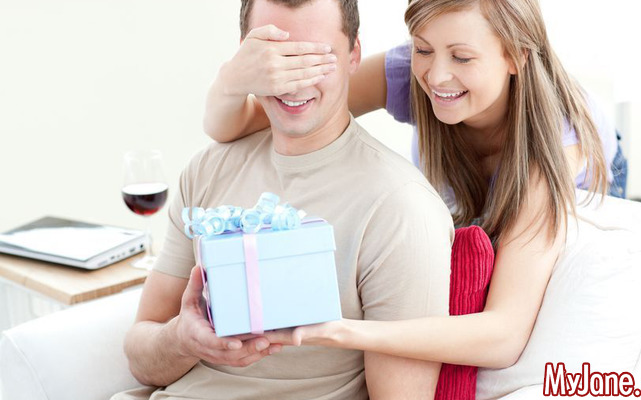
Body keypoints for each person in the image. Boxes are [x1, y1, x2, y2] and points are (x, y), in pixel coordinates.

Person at [200, 0, 614, 370]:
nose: (437, 76)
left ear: (516, 55)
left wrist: (339, 330)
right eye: (423, 49)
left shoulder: (557, 143)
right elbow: (238, 125)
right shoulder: (406, 74)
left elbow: (504, 336)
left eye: (462, 57)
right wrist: (231, 80)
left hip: (571, 154)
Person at [114, 0, 454, 399]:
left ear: (353, 55)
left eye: (316, 59)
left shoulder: (402, 208)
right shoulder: (207, 169)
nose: (294, 82)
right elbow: (140, 358)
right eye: (277, 58)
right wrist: (181, 339)